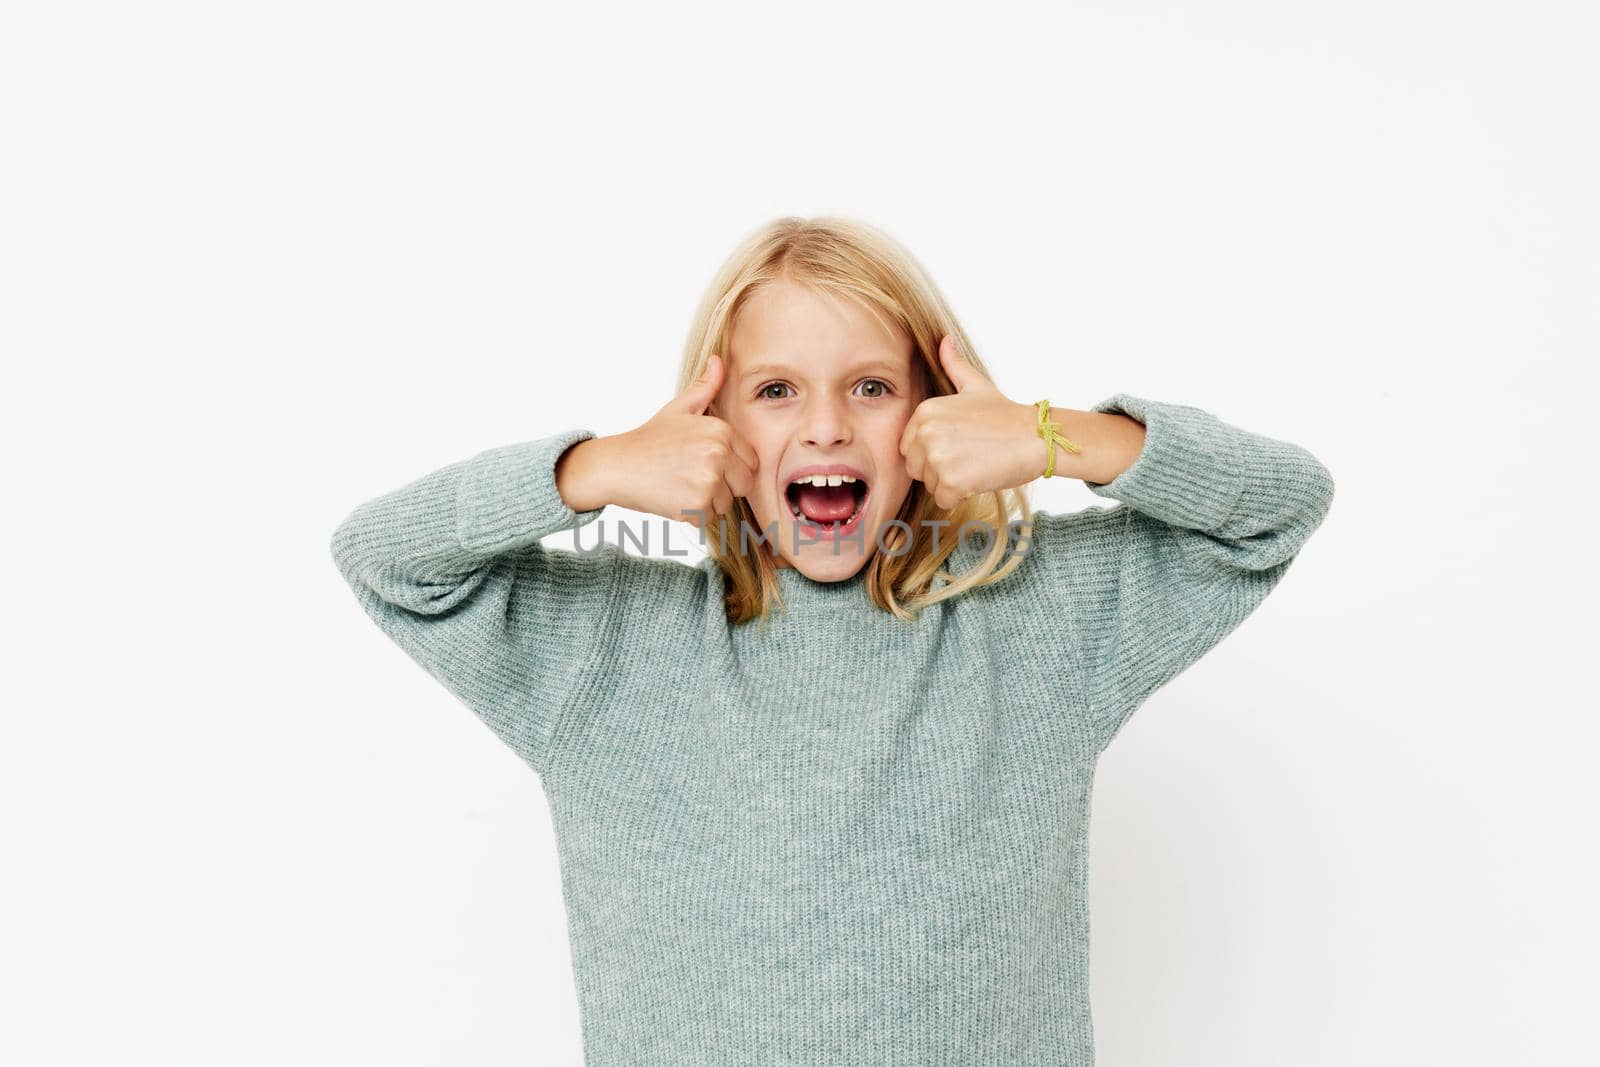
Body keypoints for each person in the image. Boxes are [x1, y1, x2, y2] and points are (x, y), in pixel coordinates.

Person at [328, 215, 1336, 1065]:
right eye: (775, 391)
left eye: (868, 386)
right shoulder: (605, 648)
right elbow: (384, 557)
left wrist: (1055, 433)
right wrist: (589, 469)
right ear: (710, 426)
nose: (823, 430)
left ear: (935, 414)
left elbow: (1277, 508)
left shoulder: (1037, 619)